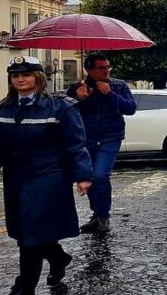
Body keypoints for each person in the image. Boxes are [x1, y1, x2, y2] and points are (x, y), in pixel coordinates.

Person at [0, 56, 93, 294]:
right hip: (16, 178)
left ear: (38, 78)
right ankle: (58, 258)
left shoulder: (61, 107)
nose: (20, 79)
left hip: (48, 177)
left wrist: (83, 175)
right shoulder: (3, 108)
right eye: (15, 75)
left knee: (32, 231)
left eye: (25, 74)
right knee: (26, 230)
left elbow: (76, 145)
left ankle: (24, 287)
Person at [67, 53, 136, 233]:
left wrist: (110, 94)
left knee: (100, 175)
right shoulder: (77, 88)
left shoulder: (118, 86)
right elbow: (65, 113)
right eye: (101, 68)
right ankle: (96, 214)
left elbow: (130, 108)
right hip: (86, 138)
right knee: (88, 177)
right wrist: (78, 99)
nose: (106, 71)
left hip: (110, 137)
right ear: (89, 70)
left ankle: (103, 215)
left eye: (108, 67)